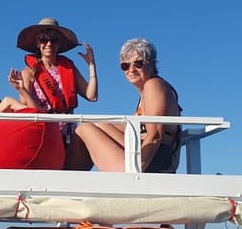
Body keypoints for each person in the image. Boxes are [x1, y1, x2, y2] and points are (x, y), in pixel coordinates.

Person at [75, 38, 182, 173]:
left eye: (138, 63)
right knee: (94, 124)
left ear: (152, 64)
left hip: (152, 160)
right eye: (125, 65)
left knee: (84, 129)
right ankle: (68, 176)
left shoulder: (153, 85)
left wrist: (135, 171)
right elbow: (134, 128)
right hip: (145, 152)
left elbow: (155, 136)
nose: (131, 69)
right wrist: (101, 124)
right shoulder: (146, 92)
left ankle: (64, 179)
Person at [16, 18, 97, 169]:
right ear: (38, 44)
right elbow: (23, 105)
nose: (48, 44)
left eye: (53, 40)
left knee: (71, 174)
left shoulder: (68, 67)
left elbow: (92, 96)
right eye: (43, 40)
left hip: (69, 133)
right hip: (44, 132)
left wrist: (91, 65)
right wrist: (21, 89)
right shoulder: (27, 72)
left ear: (59, 44)